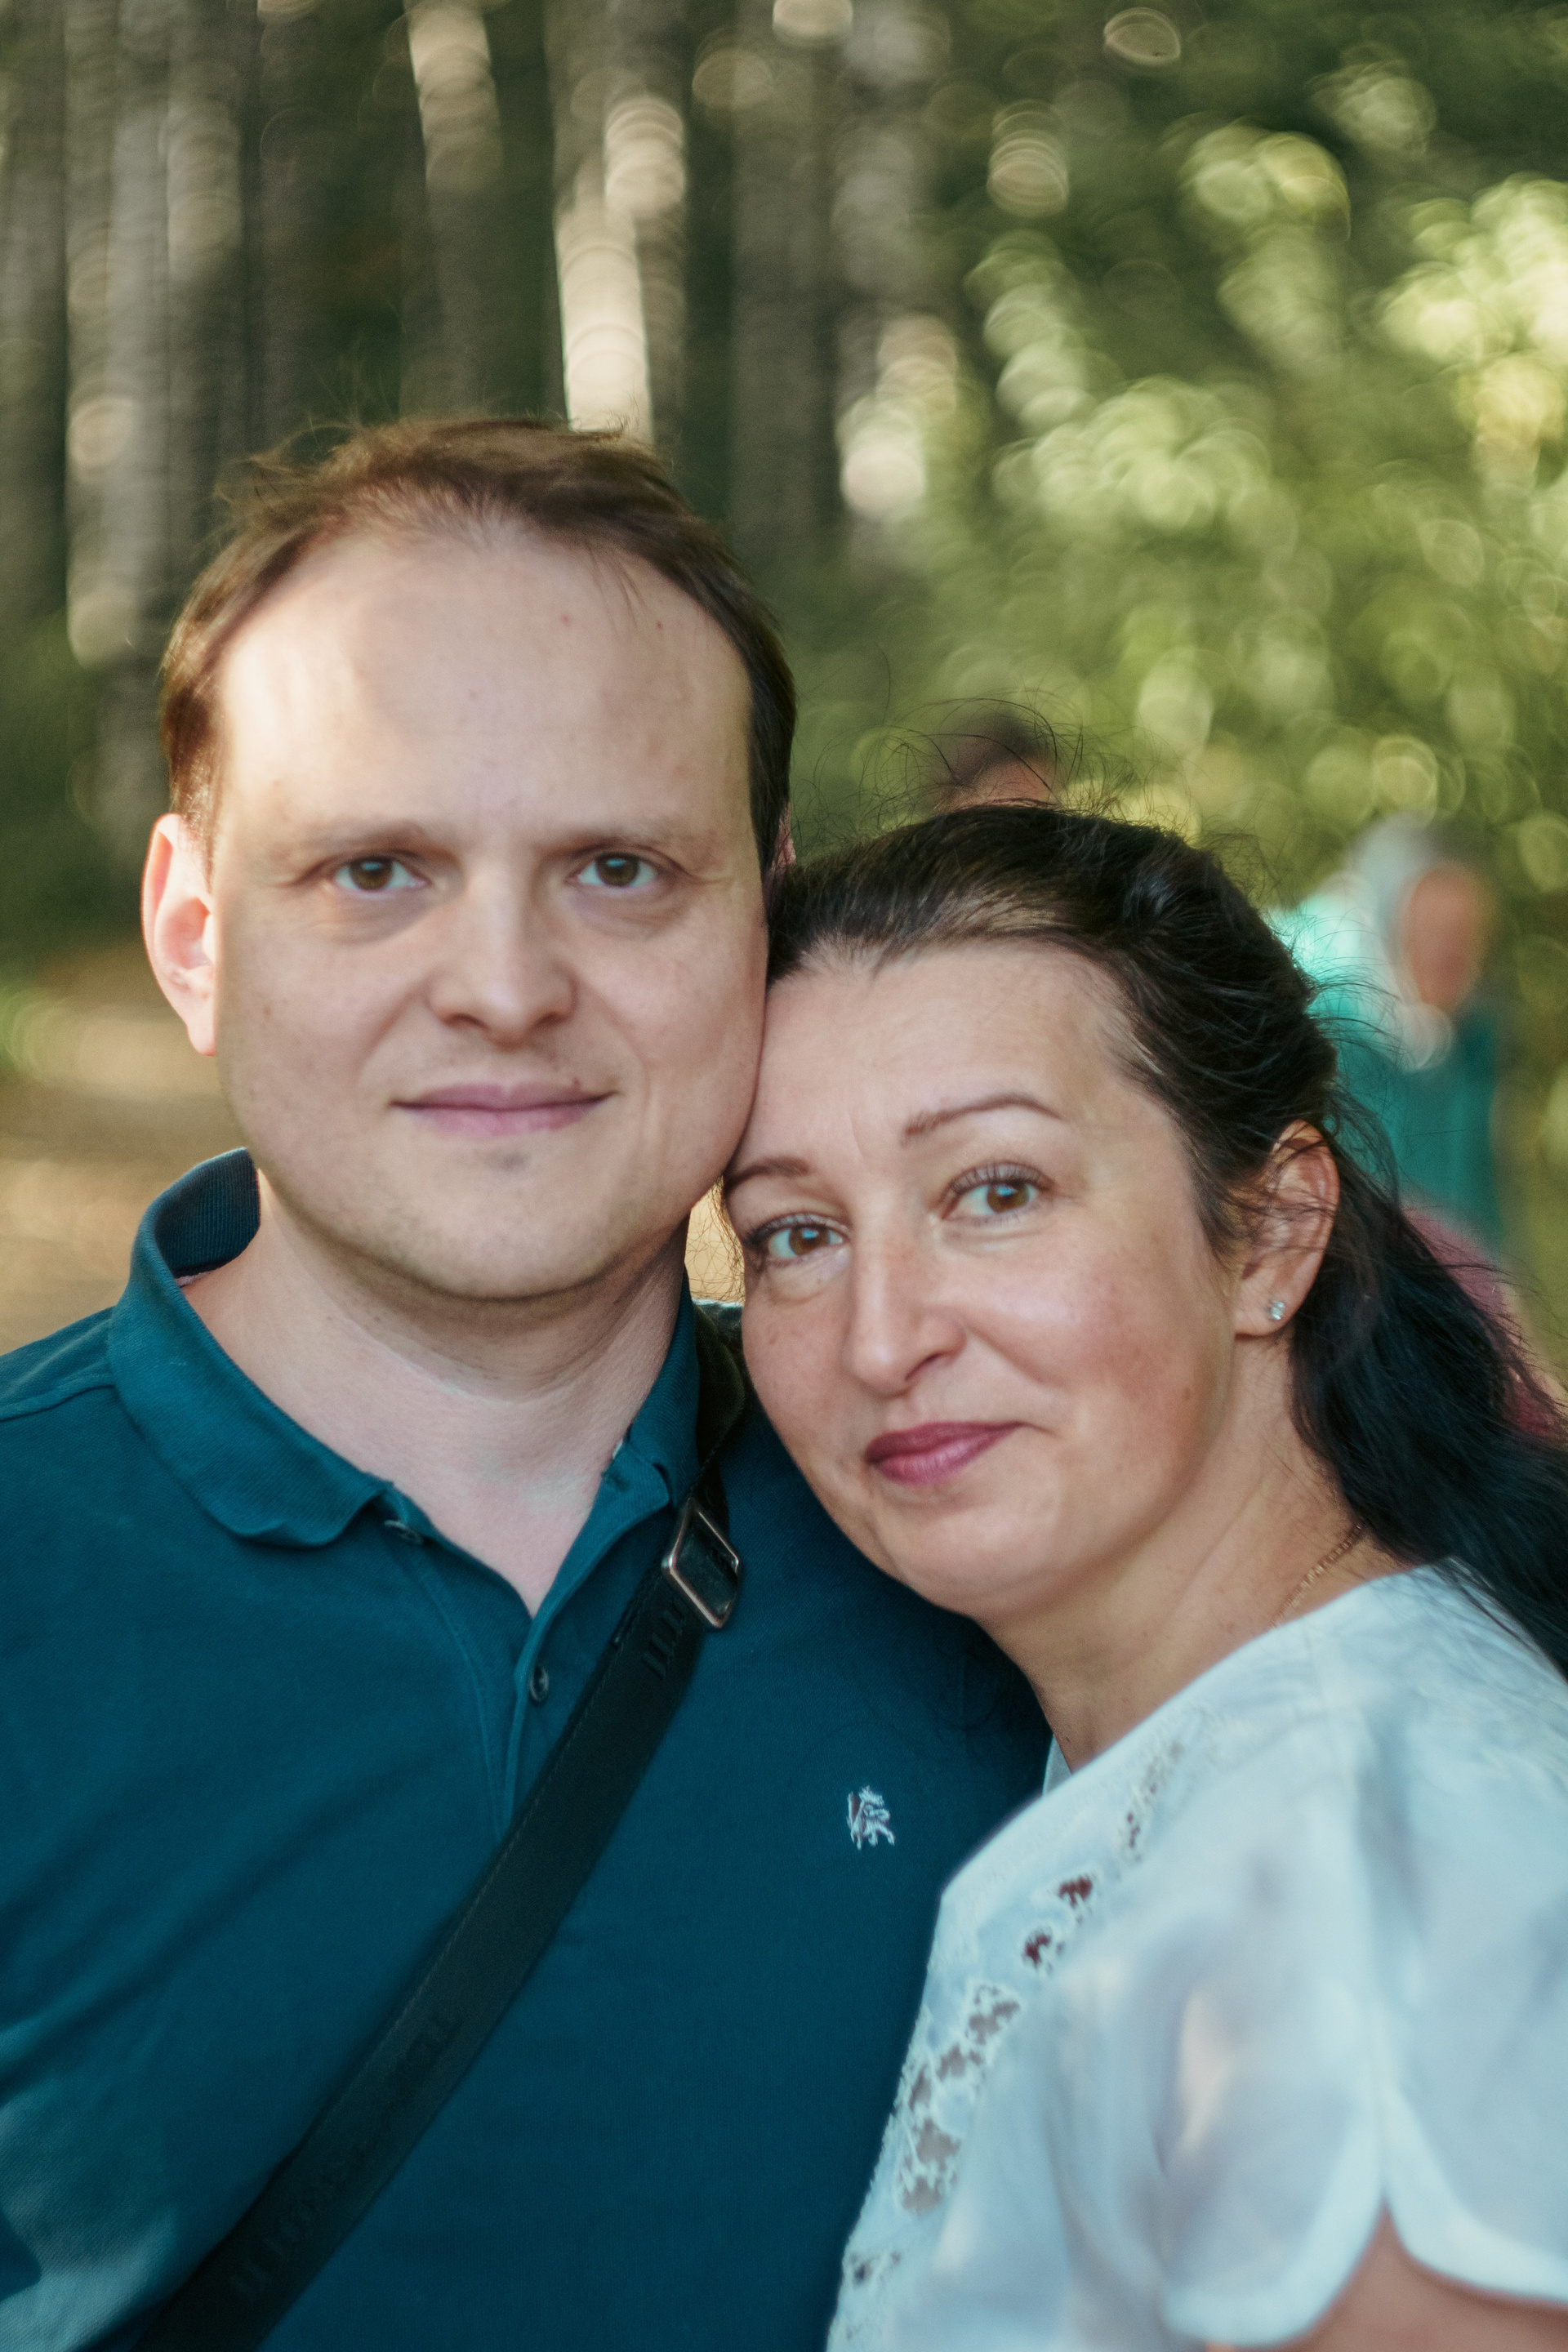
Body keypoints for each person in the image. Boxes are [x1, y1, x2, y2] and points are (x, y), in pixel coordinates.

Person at [0, 421, 1046, 2351]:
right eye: (375, 868)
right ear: (194, 933)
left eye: (619, 869)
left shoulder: (997, 1522)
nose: (504, 982)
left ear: (767, 922)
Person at [726, 803, 1568, 2350]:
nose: (880, 1337)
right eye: (794, 1234)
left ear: (1271, 1231)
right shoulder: (1205, 1748)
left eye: (995, 1191)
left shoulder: (1360, 1880)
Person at [1281, 816, 1503, 1254]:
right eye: (1431, 934)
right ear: (1388, 928)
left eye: (1463, 936)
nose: (1448, 955)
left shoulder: (1472, 1040)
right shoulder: (1327, 1032)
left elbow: (1479, 1203)